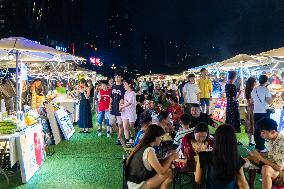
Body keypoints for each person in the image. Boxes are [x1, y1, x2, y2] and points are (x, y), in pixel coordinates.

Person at [195, 125, 249, 189]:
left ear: (216, 139)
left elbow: (198, 180)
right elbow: (243, 184)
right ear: (233, 140)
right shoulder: (236, 159)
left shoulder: (203, 156)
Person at [126, 124, 179, 189]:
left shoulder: (143, 146)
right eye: (161, 137)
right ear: (155, 137)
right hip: (137, 185)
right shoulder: (149, 150)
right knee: (168, 172)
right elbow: (161, 171)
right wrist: (171, 157)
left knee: (167, 179)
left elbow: (154, 161)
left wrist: (168, 157)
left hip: (133, 182)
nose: (161, 140)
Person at [248, 118, 284, 189]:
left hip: (281, 172)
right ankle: (251, 186)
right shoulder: (273, 138)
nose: (261, 135)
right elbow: (271, 154)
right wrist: (258, 154)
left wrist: (260, 157)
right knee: (251, 158)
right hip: (274, 166)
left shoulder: (282, 142)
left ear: (273, 132)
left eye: (263, 132)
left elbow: (279, 168)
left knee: (266, 169)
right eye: (261, 132)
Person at [251, 75, 273, 152]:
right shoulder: (266, 90)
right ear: (266, 81)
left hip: (256, 112)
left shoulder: (254, 90)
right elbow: (269, 101)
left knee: (257, 130)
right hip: (264, 112)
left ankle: (258, 146)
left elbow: (251, 101)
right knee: (264, 130)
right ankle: (262, 148)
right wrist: (273, 97)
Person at [109, 71, 126, 145]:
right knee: (111, 123)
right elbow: (111, 96)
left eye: (118, 76)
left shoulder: (123, 87)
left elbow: (122, 98)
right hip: (113, 107)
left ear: (121, 78)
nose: (116, 78)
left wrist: (121, 106)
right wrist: (110, 104)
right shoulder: (113, 86)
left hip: (120, 108)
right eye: (115, 76)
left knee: (120, 124)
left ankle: (119, 138)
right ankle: (119, 134)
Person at [245, 77, 257, 146]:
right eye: (255, 81)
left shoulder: (248, 90)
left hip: (249, 108)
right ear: (253, 83)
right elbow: (251, 101)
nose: (256, 83)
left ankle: (251, 141)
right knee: (252, 124)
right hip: (252, 108)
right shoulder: (252, 90)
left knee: (250, 124)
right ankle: (251, 141)